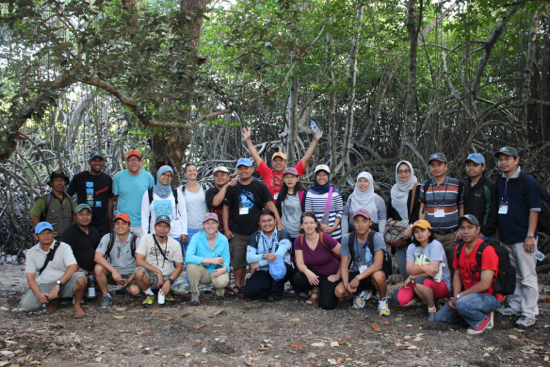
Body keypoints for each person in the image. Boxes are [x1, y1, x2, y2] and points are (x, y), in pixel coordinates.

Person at [493, 147, 540, 328]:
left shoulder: (526, 180)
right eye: (500, 159)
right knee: (514, 275)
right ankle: (514, 305)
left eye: (507, 159)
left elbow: (534, 210)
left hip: (523, 237)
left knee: (528, 275)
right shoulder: (501, 181)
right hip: (506, 236)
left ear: (516, 160)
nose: (503, 162)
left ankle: (529, 312)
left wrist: (530, 235)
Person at [223, 158, 281, 295]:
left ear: (252, 169)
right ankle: (238, 285)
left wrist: (279, 222)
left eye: (246, 168)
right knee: (238, 259)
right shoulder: (232, 187)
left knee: (259, 257)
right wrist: (226, 228)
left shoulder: (259, 186)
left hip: (257, 230)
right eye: (240, 168)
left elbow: (270, 204)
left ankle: (256, 282)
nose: (243, 171)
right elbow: (226, 208)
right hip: (237, 230)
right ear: (237, 170)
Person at [435, 215, 502, 334]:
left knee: (462, 303)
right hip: (467, 297)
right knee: (440, 317)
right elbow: (457, 275)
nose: (465, 231)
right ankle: (473, 316)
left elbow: (485, 284)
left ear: (478, 229)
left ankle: (482, 319)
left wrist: (460, 297)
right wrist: (455, 296)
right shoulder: (459, 249)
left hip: (488, 297)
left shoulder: (487, 250)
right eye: (462, 228)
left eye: (470, 227)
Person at [21, 222, 87, 318]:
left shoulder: (64, 247)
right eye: (42, 233)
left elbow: (72, 267)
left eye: (48, 232)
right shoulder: (31, 252)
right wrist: (38, 294)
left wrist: (58, 284)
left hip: (63, 282)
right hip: (45, 283)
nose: (46, 235)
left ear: (53, 234)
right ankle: (51, 300)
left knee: (80, 278)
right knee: (26, 306)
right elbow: (30, 277)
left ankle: (77, 306)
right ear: (36, 237)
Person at [391, 220, 451, 321]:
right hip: (420, 282)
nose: (419, 234)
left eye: (422, 230)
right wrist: (423, 268)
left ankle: (431, 309)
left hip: (440, 283)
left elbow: (432, 272)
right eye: (416, 232)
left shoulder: (436, 245)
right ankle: (424, 298)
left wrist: (412, 277)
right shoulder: (412, 247)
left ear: (429, 232)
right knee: (398, 300)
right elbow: (409, 270)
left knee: (420, 282)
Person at [335, 209, 390, 316]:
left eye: (364, 221)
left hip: (372, 272)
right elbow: (344, 264)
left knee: (379, 276)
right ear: (353, 222)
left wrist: (357, 279)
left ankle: (382, 300)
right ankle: (363, 293)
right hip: (357, 271)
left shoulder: (376, 237)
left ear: (370, 222)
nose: (361, 225)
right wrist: (347, 285)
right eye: (357, 221)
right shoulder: (347, 238)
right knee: (339, 292)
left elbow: (378, 264)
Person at [242, 126, 322, 197]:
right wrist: (248, 140)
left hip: (287, 210)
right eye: (275, 160)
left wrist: (314, 140)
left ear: (285, 163)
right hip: (271, 210)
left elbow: (305, 158)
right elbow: (256, 157)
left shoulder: (293, 173)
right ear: (271, 163)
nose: (278, 162)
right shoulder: (267, 172)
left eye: (281, 160)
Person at [419, 153, 464, 274]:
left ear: (446, 166)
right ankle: (438, 293)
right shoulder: (425, 186)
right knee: (434, 268)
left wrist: (461, 228)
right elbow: (422, 208)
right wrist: (422, 229)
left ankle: (455, 293)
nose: (436, 168)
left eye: (439, 164)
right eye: (433, 165)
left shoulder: (457, 185)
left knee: (455, 267)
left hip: (452, 235)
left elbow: (461, 208)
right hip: (433, 235)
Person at [134, 215, 187, 307]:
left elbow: (179, 266)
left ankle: (166, 290)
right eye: (159, 226)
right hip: (151, 275)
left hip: (168, 275)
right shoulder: (146, 239)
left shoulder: (175, 244)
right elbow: (139, 261)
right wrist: (157, 271)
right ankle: (149, 293)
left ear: (169, 228)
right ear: (154, 227)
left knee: (185, 288)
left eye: (165, 226)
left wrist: (170, 281)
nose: (162, 229)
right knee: (138, 272)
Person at [292, 212, 341, 309]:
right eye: (306, 223)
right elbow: (300, 263)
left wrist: (338, 275)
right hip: (315, 274)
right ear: (301, 225)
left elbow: (345, 255)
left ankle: (329, 289)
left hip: (330, 274)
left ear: (316, 224)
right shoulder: (299, 240)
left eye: (311, 222)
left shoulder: (324, 238)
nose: (309, 226)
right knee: (298, 277)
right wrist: (307, 272)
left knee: (327, 305)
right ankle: (315, 288)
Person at [244, 210, 295, 302]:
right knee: (248, 292)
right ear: (259, 223)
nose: (267, 223)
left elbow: (278, 256)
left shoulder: (283, 234)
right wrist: (264, 256)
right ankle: (273, 289)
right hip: (265, 270)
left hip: (283, 268)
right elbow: (249, 258)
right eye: (263, 221)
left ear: (275, 221)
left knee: (277, 266)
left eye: (269, 220)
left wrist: (260, 263)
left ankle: (276, 292)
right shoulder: (255, 236)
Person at [94, 213, 140, 308]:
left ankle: (125, 289)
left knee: (135, 291)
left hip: (129, 274)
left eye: (123, 223)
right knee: (98, 268)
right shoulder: (108, 237)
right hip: (112, 273)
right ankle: (106, 295)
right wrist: (113, 271)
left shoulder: (136, 240)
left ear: (129, 226)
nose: (120, 226)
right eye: (117, 223)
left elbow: (140, 263)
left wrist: (129, 279)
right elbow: (97, 257)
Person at [185, 213, 231, 306]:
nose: (210, 226)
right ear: (203, 225)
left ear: (218, 224)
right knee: (191, 266)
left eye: (213, 223)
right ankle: (194, 293)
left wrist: (224, 268)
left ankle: (219, 290)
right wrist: (211, 260)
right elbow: (188, 257)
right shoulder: (196, 237)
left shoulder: (223, 239)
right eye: (207, 223)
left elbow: (226, 260)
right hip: (202, 271)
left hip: (216, 270)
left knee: (222, 281)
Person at [387, 161, 422, 280]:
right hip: (400, 235)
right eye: (400, 171)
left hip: (416, 233)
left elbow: (421, 212)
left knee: (417, 266)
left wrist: (411, 228)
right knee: (402, 265)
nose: (403, 174)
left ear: (411, 171)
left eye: (406, 171)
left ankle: (418, 293)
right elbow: (390, 212)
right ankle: (406, 293)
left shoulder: (418, 188)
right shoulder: (393, 190)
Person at [67, 151, 113, 236]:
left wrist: (110, 221)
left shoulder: (107, 179)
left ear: (103, 162)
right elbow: (68, 197)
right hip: (84, 222)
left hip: (102, 223)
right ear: (89, 162)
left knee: (103, 248)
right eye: (94, 160)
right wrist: (75, 215)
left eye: (100, 160)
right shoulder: (79, 178)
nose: (97, 163)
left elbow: (109, 200)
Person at [140, 165, 187, 243]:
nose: (166, 177)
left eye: (169, 175)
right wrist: (144, 236)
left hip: (174, 234)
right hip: (155, 234)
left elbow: (183, 213)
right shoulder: (149, 193)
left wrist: (184, 231)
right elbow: (145, 216)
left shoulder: (176, 192)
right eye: (164, 174)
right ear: (159, 175)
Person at [113, 150, 154, 236]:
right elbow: (115, 196)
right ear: (126, 163)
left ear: (140, 162)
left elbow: (152, 198)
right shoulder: (118, 177)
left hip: (142, 223)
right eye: (130, 160)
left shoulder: (148, 177)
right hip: (123, 222)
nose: (133, 162)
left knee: (141, 248)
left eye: (136, 159)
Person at [458, 153, 498, 241]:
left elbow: (494, 210)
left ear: (483, 167)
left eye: (475, 165)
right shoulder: (466, 186)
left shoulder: (489, 186)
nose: (471, 168)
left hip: (483, 234)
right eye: (468, 165)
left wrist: (485, 231)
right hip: (467, 233)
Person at [31, 170, 76, 241]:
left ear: (65, 183)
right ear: (51, 183)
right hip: (51, 240)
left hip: (68, 239)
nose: (59, 183)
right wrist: (42, 232)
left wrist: (73, 228)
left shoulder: (69, 199)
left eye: (61, 180)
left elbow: (76, 214)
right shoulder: (46, 200)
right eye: (56, 180)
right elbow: (34, 216)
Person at [304, 165, 344, 241]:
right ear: (315, 177)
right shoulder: (310, 192)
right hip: (317, 234)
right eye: (319, 175)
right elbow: (308, 214)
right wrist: (320, 226)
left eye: (324, 175)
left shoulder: (335, 192)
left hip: (335, 234)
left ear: (328, 176)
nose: (321, 177)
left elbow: (340, 211)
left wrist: (334, 227)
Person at [62, 204, 102, 275]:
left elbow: (99, 252)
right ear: (75, 216)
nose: (85, 217)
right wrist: (79, 269)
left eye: (88, 214)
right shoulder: (69, 233)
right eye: (81, 214)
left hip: (95, 270)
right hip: (77, 271)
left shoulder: (94, 231)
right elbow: (65, 256)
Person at [181, 163, 207, 258]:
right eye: (189, 171)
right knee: (190, 259)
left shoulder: (205, 188)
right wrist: (183, 231)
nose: (192, 172)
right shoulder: (181, 190)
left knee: (204, 258)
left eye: (194, 170)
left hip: (204, 229)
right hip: (188, 229)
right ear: (185, 174)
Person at [205, 166, 237, 234]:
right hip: (215, 231)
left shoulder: (234, 191)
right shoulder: (210, 192)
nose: (220, 177)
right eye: (217, 176)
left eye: (222, 175)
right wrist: (226, 186)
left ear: (228, 176)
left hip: (235, 230)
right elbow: (215, 203)